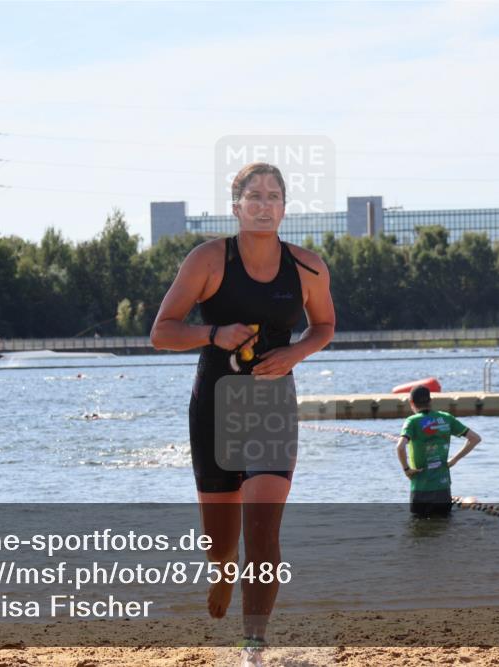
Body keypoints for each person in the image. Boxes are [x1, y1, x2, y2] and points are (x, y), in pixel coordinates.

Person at [151, 162, 335, 665]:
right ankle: (222, 569)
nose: (262, 203)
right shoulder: (207, 260)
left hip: (272, 404)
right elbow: (161, 331)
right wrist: (213, 334)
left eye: (273, 195)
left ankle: (253, 643)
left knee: (262, 529)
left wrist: (294, 354)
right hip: (214, 401)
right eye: (252, 195)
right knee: (220, 539)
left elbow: (324, 327)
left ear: (283, 207)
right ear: (236, 207)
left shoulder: (308, 267)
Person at [395, 385, 482, 517]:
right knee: (443, 527)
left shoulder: (412, 421)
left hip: (420, 489)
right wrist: (454, 460)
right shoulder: (446, 418)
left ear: (411, 403)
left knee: (418, 529)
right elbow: (475, 439)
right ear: (430, 401)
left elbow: (400, 447)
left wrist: (406, 470)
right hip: (443, 488)